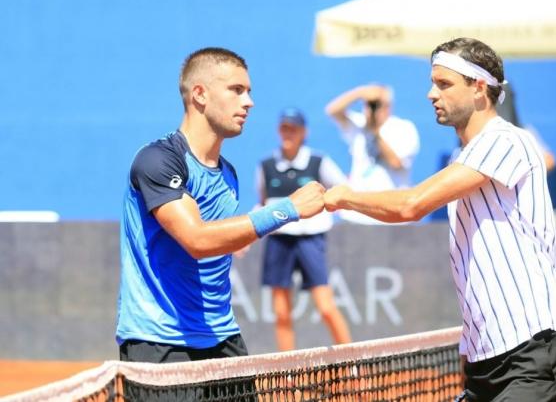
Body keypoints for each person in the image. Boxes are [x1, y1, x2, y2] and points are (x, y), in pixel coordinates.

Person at [324, 38, 556, 401]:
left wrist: (342, 196)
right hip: (486, 361)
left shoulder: (506, 141)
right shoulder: (463, 158)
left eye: (444, 84)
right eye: (433, 83)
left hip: (534, 350)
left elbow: (411, 205)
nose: (431, 94)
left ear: (479, 88)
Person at [116, 47, 326, 364]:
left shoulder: (228, 174)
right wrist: (288, 208)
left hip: (222, 337)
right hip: (160, 341)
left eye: (249, 92)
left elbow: (219, 240)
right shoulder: (158, 160)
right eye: (236, 90)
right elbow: (197, 240)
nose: (249, 102)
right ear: (200, 94)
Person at [256, 107, 352, 351]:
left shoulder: (319, 162)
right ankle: (288, 378)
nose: (288, 133)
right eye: (284, 128)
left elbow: (343, 192)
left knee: (326, 307)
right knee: (281, 312)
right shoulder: (266, 165)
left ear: (303, 132)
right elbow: (263, 200)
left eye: (293, 128)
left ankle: (353, 366)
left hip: (311, 240)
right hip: (279, 241)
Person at [325, 84, 420, 224]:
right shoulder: (359, 124)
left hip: (391, 214)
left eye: (375, 105)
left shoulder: (403, 128)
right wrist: (360, 93)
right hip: (357, 215)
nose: (371, 109)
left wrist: (375, 132)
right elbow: (332, 111)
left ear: (388, 106)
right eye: (368, 104)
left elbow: (396, 163)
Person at [496, 81, 556, 172]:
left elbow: (549, 161)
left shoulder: (524, 132)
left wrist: (518, 172)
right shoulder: (477, 133)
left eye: (506, 96)